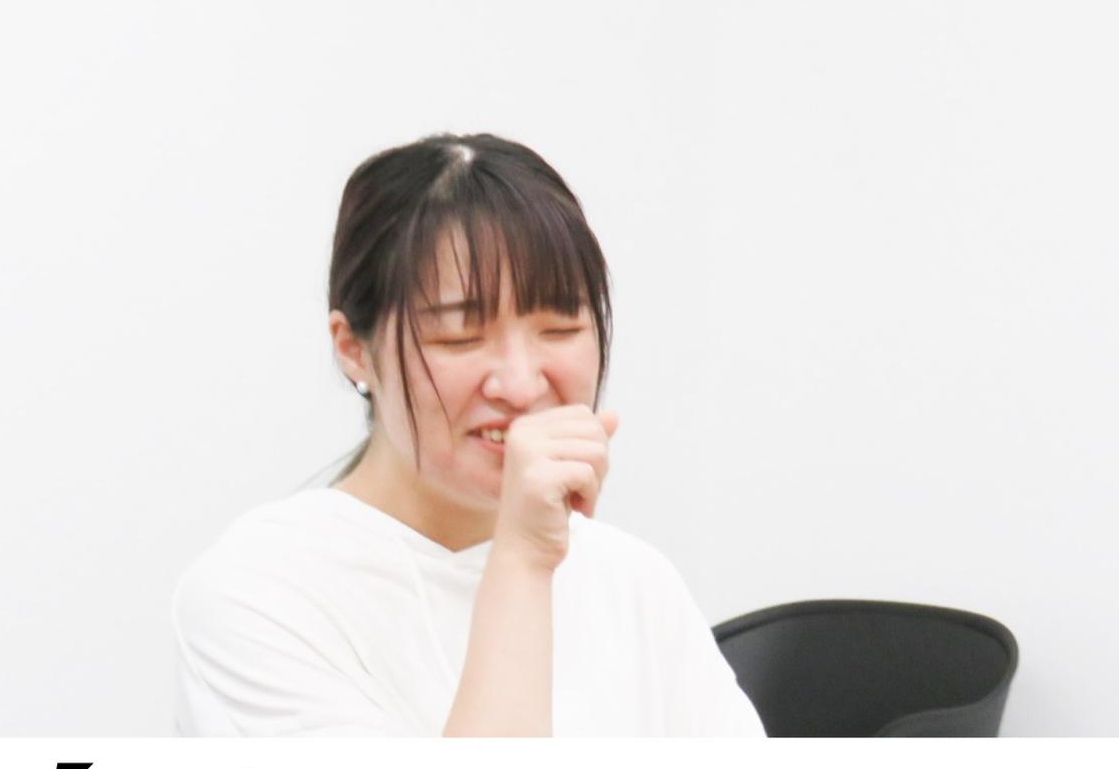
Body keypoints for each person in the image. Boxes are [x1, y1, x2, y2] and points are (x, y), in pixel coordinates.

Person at [173, 133, 762, 737]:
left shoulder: (634, 580)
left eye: (560, 327)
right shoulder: (258, 592)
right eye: (460, 337)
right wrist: (523, 559)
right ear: (354, 349)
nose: (521, 384)